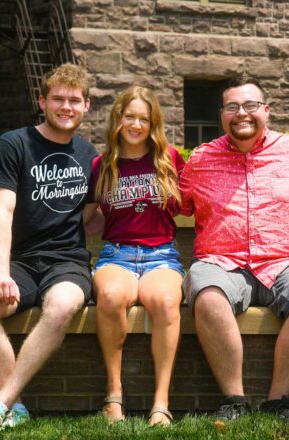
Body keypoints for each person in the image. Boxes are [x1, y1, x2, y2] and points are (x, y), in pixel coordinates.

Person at [179, 76, 289, 424]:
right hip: (222, 262)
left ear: (266, 110)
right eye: (232, 107)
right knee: (206, 293)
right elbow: (173, 200)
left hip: (287, 260)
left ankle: (277, 400)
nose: (241, 114)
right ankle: (234, 399)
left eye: (250, 106)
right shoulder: (201, 159)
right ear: (221, 115)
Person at [0, 64, 97, 439]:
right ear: (42, 101)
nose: (65, 107)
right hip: (18, 262)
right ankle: (15, 407)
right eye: (58, 99)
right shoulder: (14, 143)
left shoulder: (90, 154)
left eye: (74, 100)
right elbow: (1, 211)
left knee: (64, 305)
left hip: (67, 262)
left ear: (86, 106)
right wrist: (1, 272)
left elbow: (89, 216)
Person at [86, 86, 185, 426]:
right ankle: (114, 395)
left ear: (153, 123)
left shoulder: (169, 159)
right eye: (130, 116)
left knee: (167, 301)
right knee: (111, 297)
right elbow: (91, 219)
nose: (136, 125)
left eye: (144, 118)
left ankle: (161, 402)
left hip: (162, 255)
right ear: (118, 118)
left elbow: (190, 205)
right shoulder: (102, 164)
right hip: (116, 254)